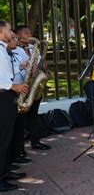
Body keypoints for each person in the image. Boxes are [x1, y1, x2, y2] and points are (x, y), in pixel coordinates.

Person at [0, 20, 29, 192]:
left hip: (7, 96)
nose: (12, 34)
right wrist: (13, 86)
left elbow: (5, 73)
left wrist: (20, 68)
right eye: (9, 30)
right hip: (3, 98)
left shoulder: (3, 50)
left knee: (7, 138)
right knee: (2, 139)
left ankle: (6, 171)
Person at [13, 26, 51, 151]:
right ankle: (20, 149)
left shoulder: (33, 48)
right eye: (26, 33)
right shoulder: (15, 50)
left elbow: (39, 66)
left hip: (34, 86)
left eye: (30, 32)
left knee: (34, 116)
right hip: (22, 86)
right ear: (18, 35)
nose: (30, 34)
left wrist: (43, 67)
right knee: (21, 120)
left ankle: (36, 141)